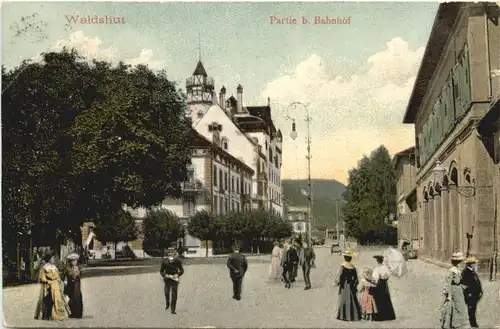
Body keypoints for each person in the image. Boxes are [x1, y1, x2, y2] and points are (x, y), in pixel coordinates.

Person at [34, 252, 70, 321]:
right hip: (48, 287)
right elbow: (42, 278)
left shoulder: (54, 267)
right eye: (52, 258)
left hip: (56, 286)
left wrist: (59, 280)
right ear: (49, 259)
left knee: (57, 300)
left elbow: (58, 276)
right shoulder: (44, 268)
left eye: (53, 258)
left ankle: (57, 314)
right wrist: (48, 282)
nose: (53, 259)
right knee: (48, 300)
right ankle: (48, 315)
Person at [440, 252, 468, 329]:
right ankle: (453, 324)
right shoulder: (452, 271)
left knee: (460, 307)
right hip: (453, 291)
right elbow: (448, 283)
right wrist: (448, 295)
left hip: (459, 291)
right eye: (460, 261)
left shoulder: (459, 270)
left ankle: (460, 324)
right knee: (453, 307)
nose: (461, 263)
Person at [334, 250, 362, 321]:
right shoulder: (353, 267)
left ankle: (343, 315)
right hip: (351, 284)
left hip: (345, 285)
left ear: (344, 258)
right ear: (350, 258)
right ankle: (354, 315)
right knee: (352, 299)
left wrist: (338, 284)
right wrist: (355, 286)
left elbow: (341, 276)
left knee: (344, 299)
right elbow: (356, 279)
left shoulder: (343, 266)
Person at [371, 255, 396, 321]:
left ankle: (380, 316)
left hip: (379, 285)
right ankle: (388, 315)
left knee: (379, 299)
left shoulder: (377, 269)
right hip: (385, 284)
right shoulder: (386, 268)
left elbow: (375, 279)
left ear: (377, 261)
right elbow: (388, 276)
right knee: (386, 298)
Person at [160, 248, 184, 314]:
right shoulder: (164, 261)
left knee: (174, 295)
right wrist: (164, 275)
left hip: (174, 279)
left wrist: (178, 274)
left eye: (172, 252)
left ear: (174, 253)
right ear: (168, 254)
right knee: (166, 293)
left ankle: (173, 309)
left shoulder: (177, 261)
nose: (170, 254)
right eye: (169, 253)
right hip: (167, 279)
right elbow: (161, 271)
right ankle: (167, 303)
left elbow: (182, 270)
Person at [461, 257, 483, 328]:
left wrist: (480, 291)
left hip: (475, 295)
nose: (475, 264)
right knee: (471, 310)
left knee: (473, 309)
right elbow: (464, 284)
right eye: (474, 263)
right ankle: (473, 324)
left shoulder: (472, 271)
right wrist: (468, 293)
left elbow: (476, 282)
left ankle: (473, 323)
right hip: (470, 295)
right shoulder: (465, 272)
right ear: (470, 264)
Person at [64, 253, 83, 318]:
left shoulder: (77, 268)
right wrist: (73, 274)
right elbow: (68, 275)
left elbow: (79, 275)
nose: (75, 262)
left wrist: (77, 274)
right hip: (70, 285)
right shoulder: (68, 268)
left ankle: (78, 313)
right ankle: (72, 312)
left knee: (77, 297)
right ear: (70, 261)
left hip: (76, 284)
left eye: (75, 260)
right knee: (72, 297)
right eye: (73, 261)